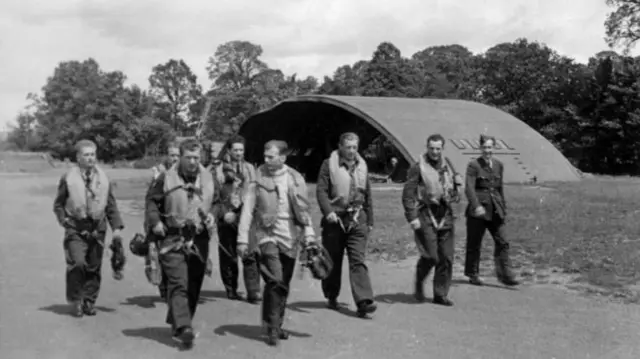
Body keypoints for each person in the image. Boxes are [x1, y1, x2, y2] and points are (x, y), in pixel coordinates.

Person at [236, 140, 316, 347]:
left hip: (290, 236)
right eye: (265, 156)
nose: (266, 160)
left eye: (271, 156)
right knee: (275, 279)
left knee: (283, 284)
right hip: (266, 235)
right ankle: (272, 328)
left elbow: (303, 210)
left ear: (283, 157)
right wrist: (243, 238)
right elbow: (247, 209)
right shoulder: (257, 177)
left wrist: (309, 235)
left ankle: (275, 324)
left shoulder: (295, 178)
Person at [144, 139, 216, 348]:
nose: (193, 162)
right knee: (178, 282)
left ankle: (179, 320)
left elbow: (218, 202)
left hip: (199, 238)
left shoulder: (209, 178)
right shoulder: (165, 178)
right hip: (172, 238)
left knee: (193, 284)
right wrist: (156, 221)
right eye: (189, 157)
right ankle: (184, 327)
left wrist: (212, 214)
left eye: (196, 157)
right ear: (181, 156)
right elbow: (151, 201)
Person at [53, 139, 125, 317]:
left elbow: (110, 205)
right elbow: (59, 204)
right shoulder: (68, 178)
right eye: (86, 155)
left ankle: (89, 301)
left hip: (97, 229)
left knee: (93, 267)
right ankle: (76, 300)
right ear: (78, 157)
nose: (90, 158)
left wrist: (116, 228)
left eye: (93, 154)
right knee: (77, 263)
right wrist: (64, 221)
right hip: (75, 228)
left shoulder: (104, 178)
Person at [316, 132, 377, 317]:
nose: (351, 151)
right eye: (348, 147)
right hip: (335, 220)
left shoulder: (362, 166)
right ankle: (331, 295)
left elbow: (367, 194)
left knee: (358, 260)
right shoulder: (328, 165)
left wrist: (371, 220)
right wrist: (329, 212)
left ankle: (363, 301)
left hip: (358, 219)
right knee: (333, 260)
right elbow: (321, 191)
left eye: (354, 147)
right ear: (340, 147)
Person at [401, 134, 463, 306]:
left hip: (446, 213)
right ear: (427, 148)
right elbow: (408, 194)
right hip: (426, 213)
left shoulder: (448, 165)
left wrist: (456, 188)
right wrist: (411, 217)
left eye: (438, 148)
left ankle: (440, 294)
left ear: (442, 149)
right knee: (431, 255)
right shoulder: (417, 168)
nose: (435, 152)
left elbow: (455, 191)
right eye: (432, 148)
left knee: (447, 256)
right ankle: (419, 281)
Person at [464, 134, 520, 287]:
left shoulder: (498, 165)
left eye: (489, 147)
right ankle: (473, 274)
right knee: (474, 243)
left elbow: (499, 187)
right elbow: (469, 188)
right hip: (478, 211)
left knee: (503, 241)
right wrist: (476, 206)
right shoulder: (474, 165)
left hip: (495, 209)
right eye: (484, 147)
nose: (487, 150)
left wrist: (503, 207)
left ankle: (506, 275)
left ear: (494, 148)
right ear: (480, 148)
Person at [213, 135, 261, 302]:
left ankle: (253, 291)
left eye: (241, 150)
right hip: (225, 215)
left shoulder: (249, 168)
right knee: (229, 254)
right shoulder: (218, 169)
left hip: (245, 214)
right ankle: (231, 288)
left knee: (249, 251)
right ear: (229, 150)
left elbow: (254, 192)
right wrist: (223, 213)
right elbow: (214, 196)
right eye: (236, 150)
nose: (239, 153)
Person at [146, 142, 181, 300]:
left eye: (177, 155)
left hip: (176, 217)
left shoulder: (184, 172)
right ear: (167, 155)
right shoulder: (159, 172)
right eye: (172, 155)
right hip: (160, 216)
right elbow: (151, 198)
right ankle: (163, 286)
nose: (174, 158)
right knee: (161, 254)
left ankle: (175, 287)